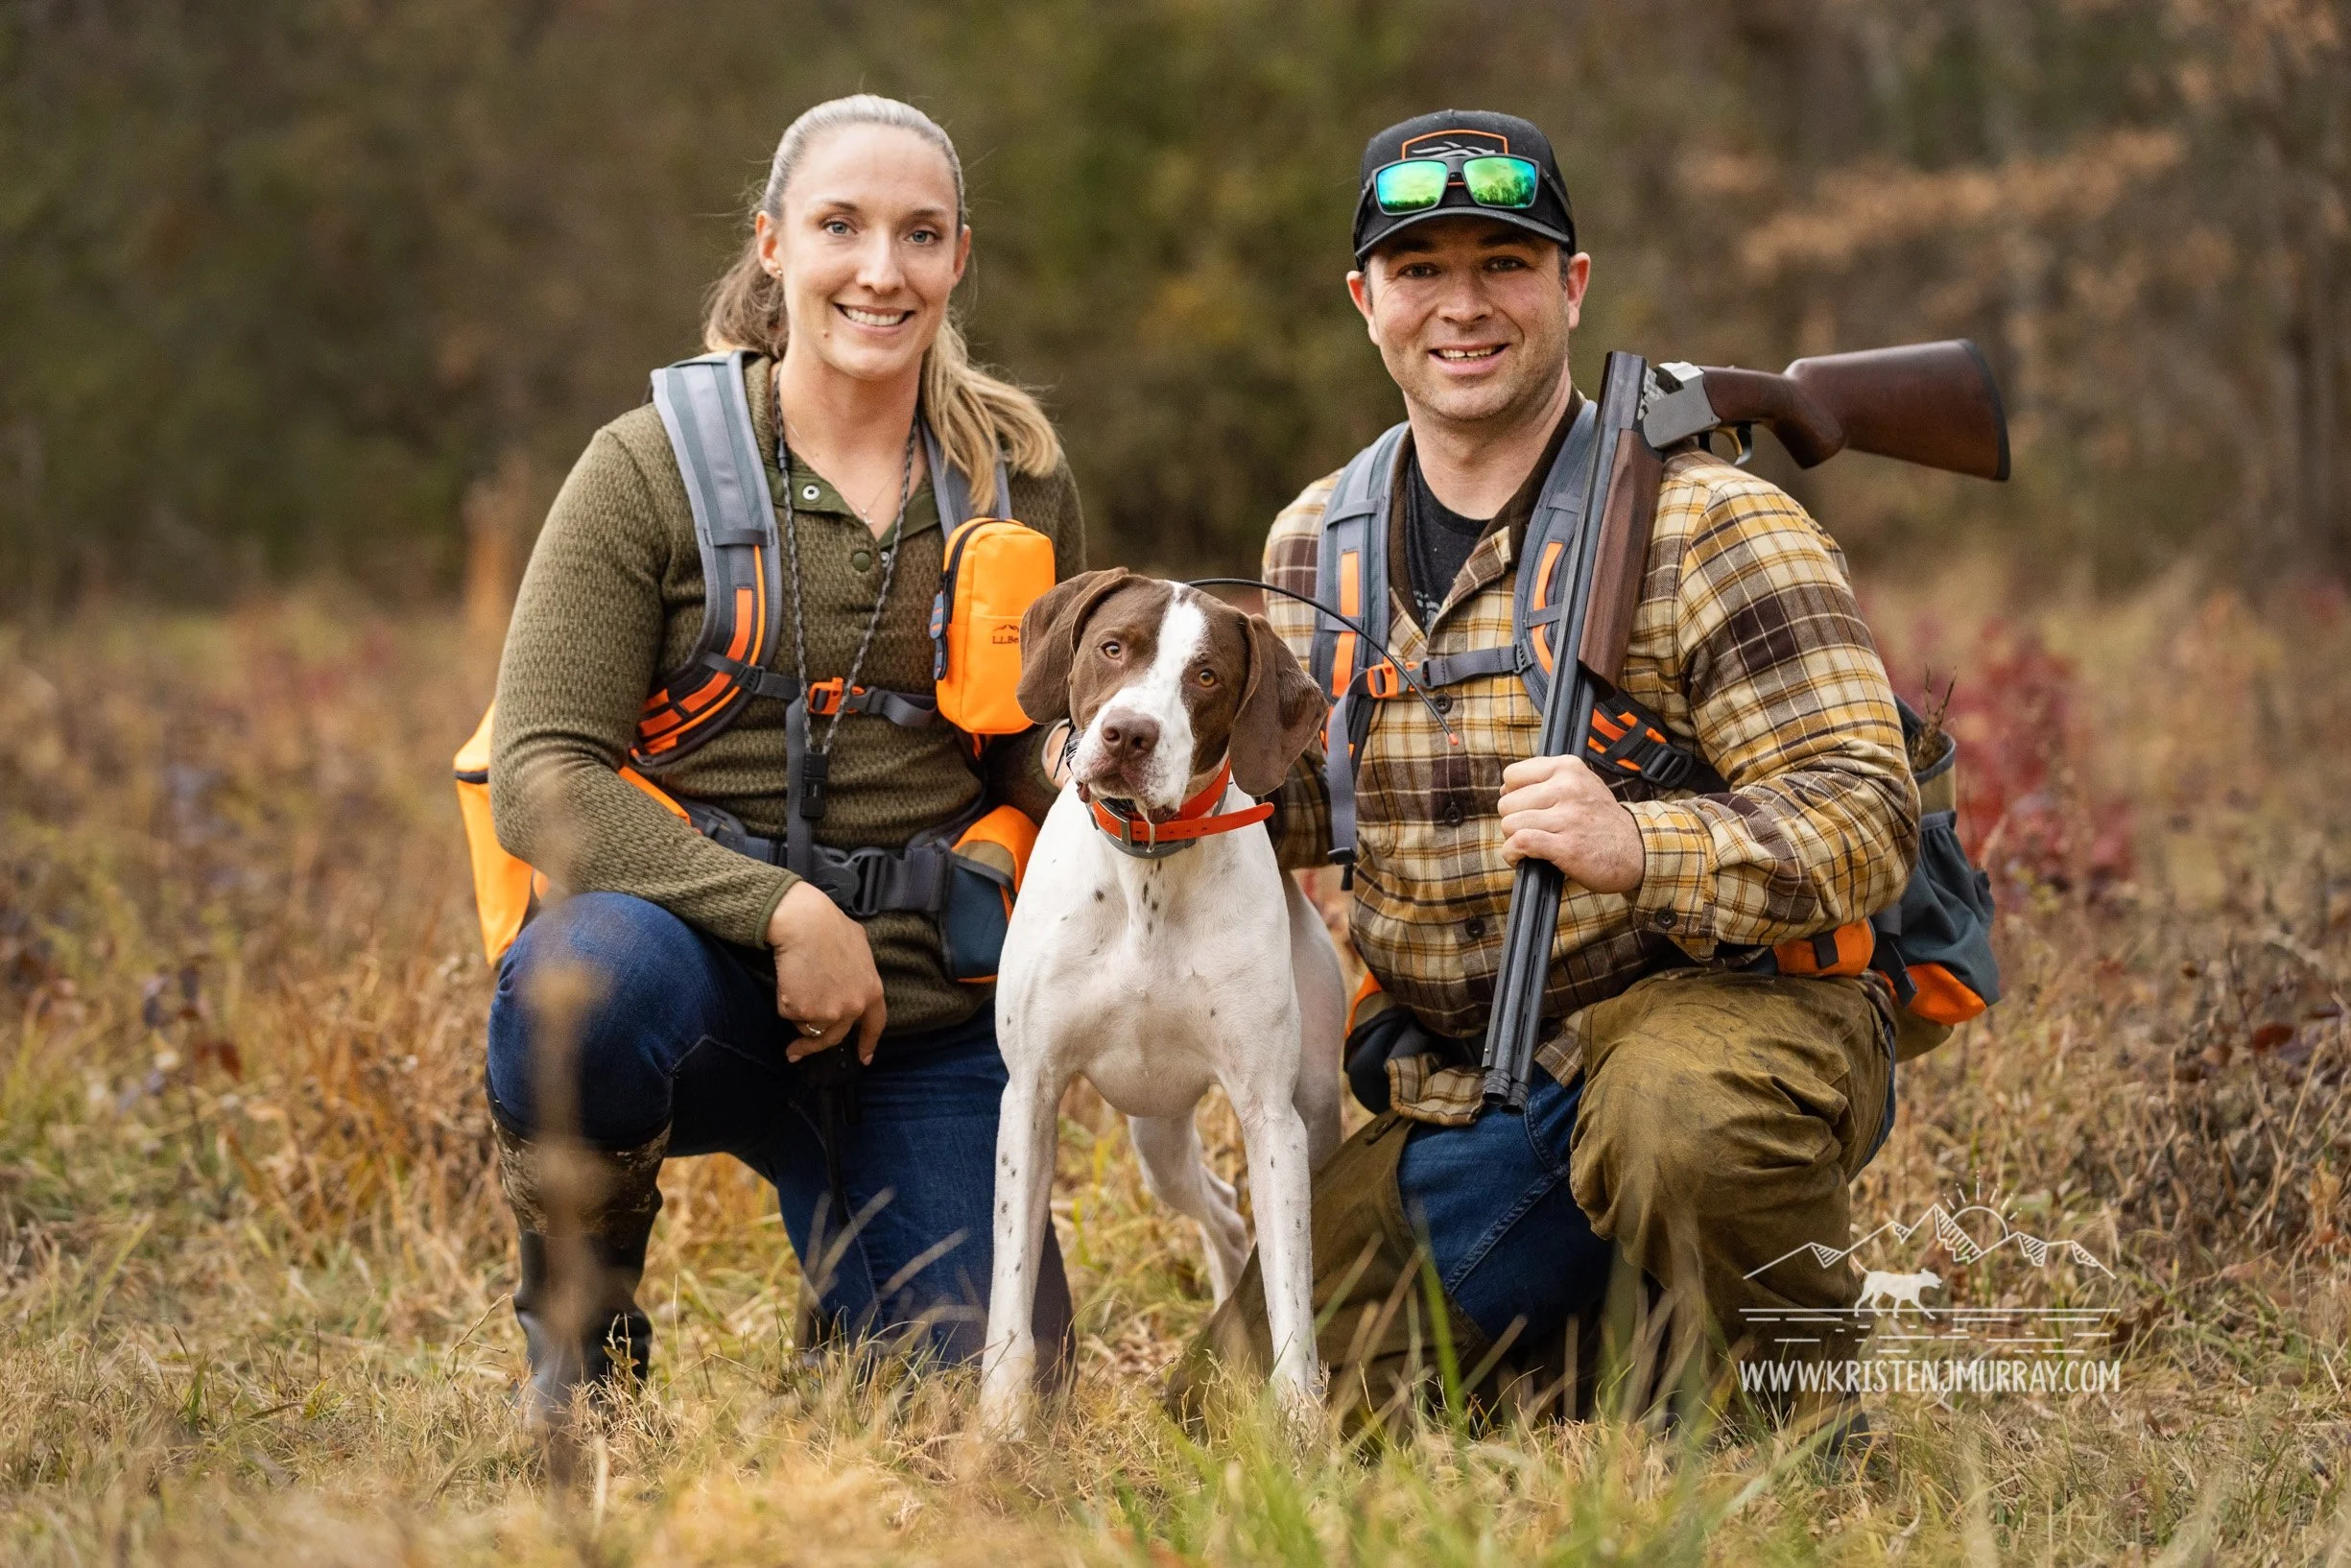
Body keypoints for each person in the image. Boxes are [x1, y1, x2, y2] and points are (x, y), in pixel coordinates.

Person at [1176, 110, 1916, 1434]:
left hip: (1716, 1023)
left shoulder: (1712, 519)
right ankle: (1636, 1360)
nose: (1461, 306)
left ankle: (1805, 1420)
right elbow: (1267, 812)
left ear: (1571, 285)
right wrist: (1119, 752)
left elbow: (1865, 815)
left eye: (1503, 264)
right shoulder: (1311, 545)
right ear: (1364, 302)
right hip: (1476, 1086)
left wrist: (1645, 844)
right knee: (1229, 1425)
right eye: (1419, 271)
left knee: (1678, 1123)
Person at [484, 95, 1081, 1419]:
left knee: (1000, 1406)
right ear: (770, 246)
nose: (882, 270)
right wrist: (782, 910)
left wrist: (1142, 780)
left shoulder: (1022, 480)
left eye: (919, 235)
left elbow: (1036, 758)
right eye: (840, 227)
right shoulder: (641, 468)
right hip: (696, 987)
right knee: (573, 989)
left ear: (957, 259)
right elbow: (542, 769)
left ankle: (852, 1309)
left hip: (926, 1019)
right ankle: (583, 1363)